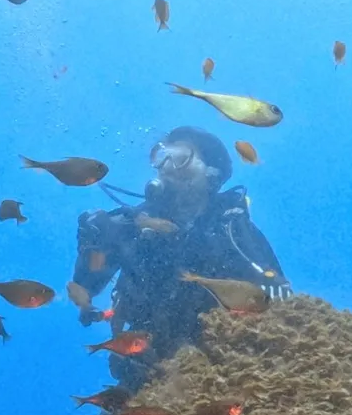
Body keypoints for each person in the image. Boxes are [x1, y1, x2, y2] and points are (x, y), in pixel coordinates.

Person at [71, 126, 290, 390]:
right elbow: (87, 290)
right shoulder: (133, 225)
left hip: (229, 372)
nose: (166, 166)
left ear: (212, 174)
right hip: (147, 376)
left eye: (180, 157)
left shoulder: (231, 227)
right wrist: (91, 249)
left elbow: (280, 300)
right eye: (161, 156)